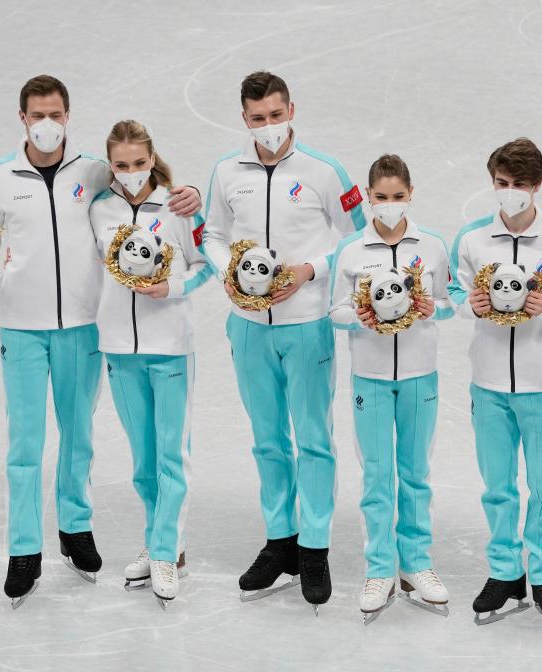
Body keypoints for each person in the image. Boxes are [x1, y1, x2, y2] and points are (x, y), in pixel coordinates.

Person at [0, 75, 201, 607]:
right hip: (22, 327)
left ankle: (76, 530)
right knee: (25, 443)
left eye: (56, 113)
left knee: (79, 437)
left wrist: (187, 194)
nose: (47, 123)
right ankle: (24, 550)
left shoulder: (95, 173)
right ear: (23, 117)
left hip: (84, 326)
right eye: (37, 114)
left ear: (68, 116)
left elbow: (145, 191)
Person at [201, 70, 366, 612]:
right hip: (248, 327)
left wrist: (310, 273)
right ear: (243, 118)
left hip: (306, 324)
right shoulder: (227, 172)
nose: (269, 127)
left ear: (291, 109)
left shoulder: (324, 172)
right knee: (268, 438)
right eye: (258, 118)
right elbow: (213, 235)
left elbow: (359, 241)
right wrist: (229, 272)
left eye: (276, 115)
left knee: (313, 438)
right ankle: (281, 542)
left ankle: (315, 546)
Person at [447, 137, 542, 629]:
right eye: (502, 184)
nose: (510, 193)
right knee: (497, 487)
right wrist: (467, 301)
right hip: (487, 383)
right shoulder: (471, 239)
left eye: (520, 185)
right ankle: (505, 573)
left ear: (538, 186)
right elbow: (450, 292)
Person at [90, 120, 211, 607]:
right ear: (110, 166)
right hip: (119, 348)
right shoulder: (100, 210)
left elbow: (208, 265)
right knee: (143, 463)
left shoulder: (178, 205)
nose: (132, 172)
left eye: (140, 163)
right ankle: (162, 540)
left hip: (171, 348)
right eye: (122, 165)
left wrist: (173, 288)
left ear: (152, 159)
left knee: (171, 455)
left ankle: (165, 552)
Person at [329, 154, 453, 622]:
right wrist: (357, 317)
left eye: (397, 196)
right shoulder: (351, 251)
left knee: (416, 473)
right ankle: (380, 568)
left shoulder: (433, 247)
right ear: (367, 197)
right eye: (380, 197)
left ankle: (417, 565)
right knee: (378, 475)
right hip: (371, 379)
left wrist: (429, 308)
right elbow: (335, 312)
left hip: (421, 376)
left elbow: (449, 302)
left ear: (410, 194)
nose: (389, 205)